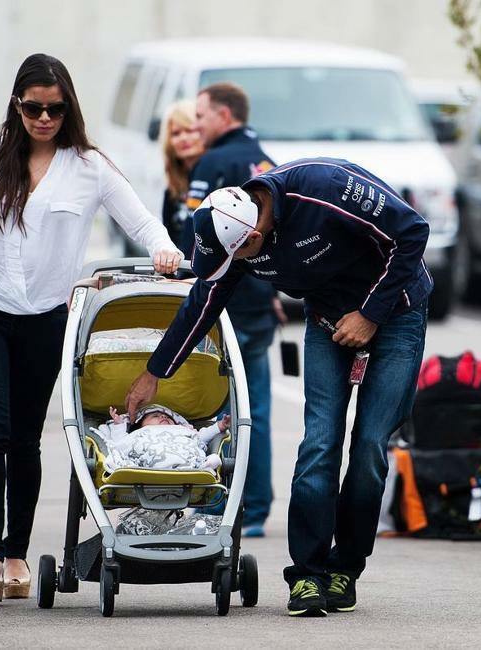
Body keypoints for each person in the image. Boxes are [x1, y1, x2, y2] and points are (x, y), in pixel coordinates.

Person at [125, 158, 432, 617]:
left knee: (368, 446)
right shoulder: (233, 232)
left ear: (254, 237)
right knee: (320, 443)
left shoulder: (325, 188)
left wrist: (371, 314)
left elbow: (413, 232)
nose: (231, 269)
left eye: (236, 260)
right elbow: (205, 300)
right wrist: (155, 371)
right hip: (328, 323)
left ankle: (345, 569)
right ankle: (308, 575)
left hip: (395, 314)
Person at [0, 53, 182, 607]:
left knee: (25, 437)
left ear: (68, 106)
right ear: (17, 106)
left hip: (47, 317)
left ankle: (18, 555)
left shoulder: (90, 165)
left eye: (54, 108)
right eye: (32, 108)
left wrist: (164, 250)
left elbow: (142, 221)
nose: (43, 118)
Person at [184, 82, 285, 537]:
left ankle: (228, 504)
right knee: (257, 410)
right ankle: (259, 508)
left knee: (220, 413)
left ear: (225, 116)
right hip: (262, 304)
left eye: (202, 117)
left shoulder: (213, 163)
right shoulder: (266, 163)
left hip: (225, 307)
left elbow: (194, 237)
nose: (197, 125)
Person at [94, 405, 229, 472]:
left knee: (197, 445)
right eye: (155, 416)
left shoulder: (182, 430)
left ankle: (199, 466)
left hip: (182, 452)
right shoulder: (139, 433)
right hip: (146, 460)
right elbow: (121, 443)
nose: (163, 417)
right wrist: (119, 425)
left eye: (167, 417)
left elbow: (201, 437)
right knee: (120, 454)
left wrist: (219, 426)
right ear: (141, 425)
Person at [158, 99, 204, 254]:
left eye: (189, 130)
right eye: (176, 133)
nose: (183, 138)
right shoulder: (172, 190)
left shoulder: (216, 177)